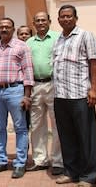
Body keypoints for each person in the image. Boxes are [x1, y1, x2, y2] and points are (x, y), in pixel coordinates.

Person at [53, 5, 96, 187]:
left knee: (86, 137)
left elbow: (95, 61)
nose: (65, 19)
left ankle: (89, 176)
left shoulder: (85, 35)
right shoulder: (58, 39)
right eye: (62, 17)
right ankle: (71, 172)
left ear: (75, 18)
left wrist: (94, 88)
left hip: (80, 95)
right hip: (60, 96)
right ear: (58, 20)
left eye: (69, 16)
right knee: (67, 137)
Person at [0, 17, 34, 179]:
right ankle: (1, 160)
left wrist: (27, 96)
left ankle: (20, 163)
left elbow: (28, 71)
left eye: (7, 27)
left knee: (20, 128)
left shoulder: (22, 47)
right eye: (1, 27)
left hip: (16, 91)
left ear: (13, 29)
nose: (4, 29)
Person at [25, 12, 63, 175]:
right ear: (33, 23)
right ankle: (40, 160)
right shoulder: (29, 42)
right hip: (35, 86)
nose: (40, 23)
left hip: (53, 84)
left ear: (49, 21)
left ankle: (58, 161)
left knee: (57, 124)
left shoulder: (58, 37)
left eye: (43, 20)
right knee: (37, 125)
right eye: (37, 20)